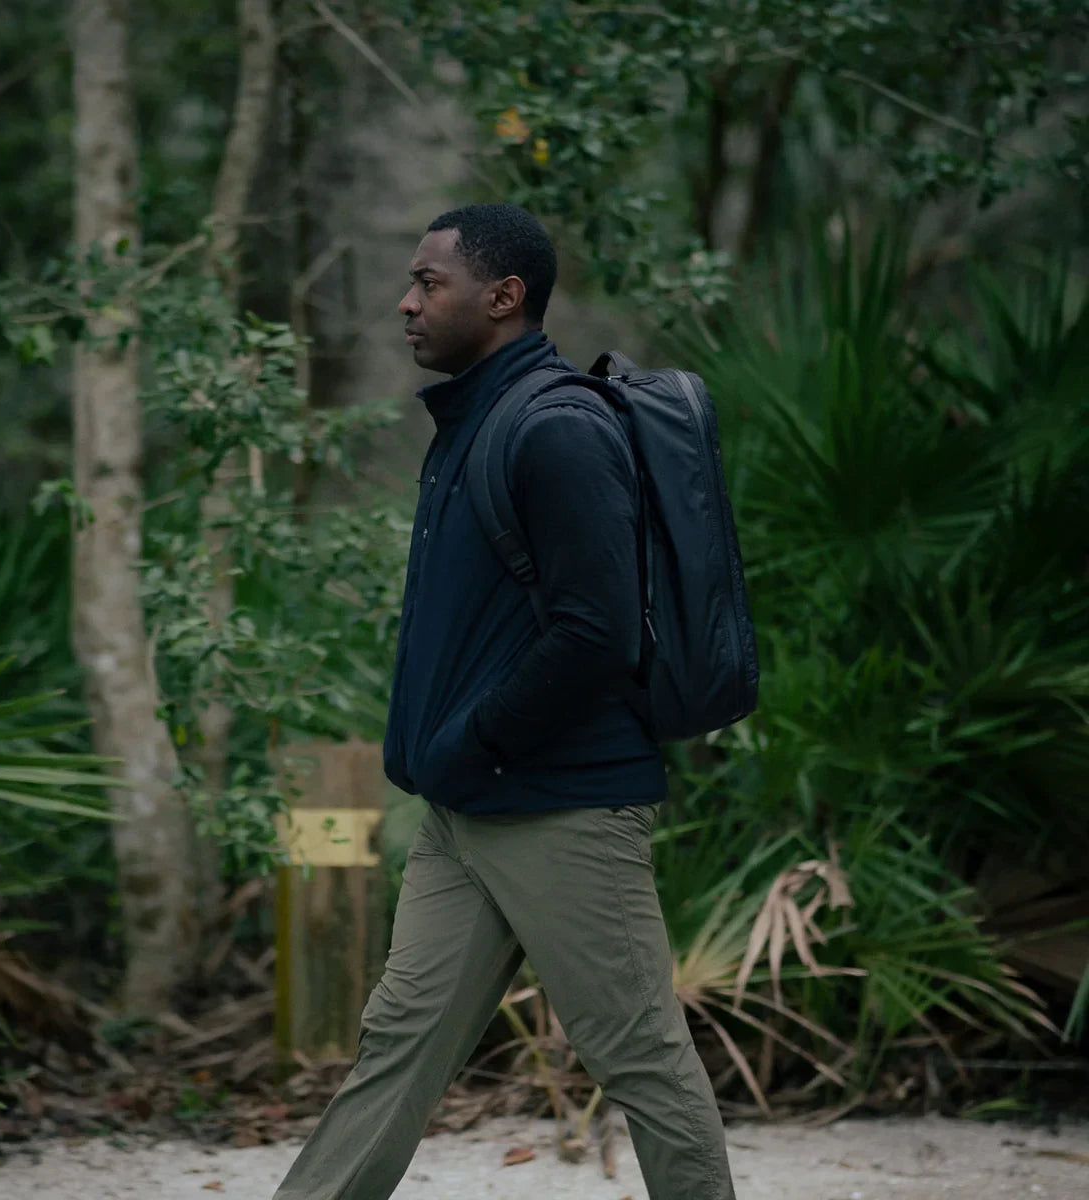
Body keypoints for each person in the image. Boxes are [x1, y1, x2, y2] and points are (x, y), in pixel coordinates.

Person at [272, 203, 734, 1200]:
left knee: (642, 1062)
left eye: (428, 283)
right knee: (397, 1048)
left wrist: (474, 739)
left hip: (565, 808)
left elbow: (594, 633)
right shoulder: (474, 420)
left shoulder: (556, 428)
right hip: (467, 806)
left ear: (504, 295)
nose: (406, 302)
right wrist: (457, 763)